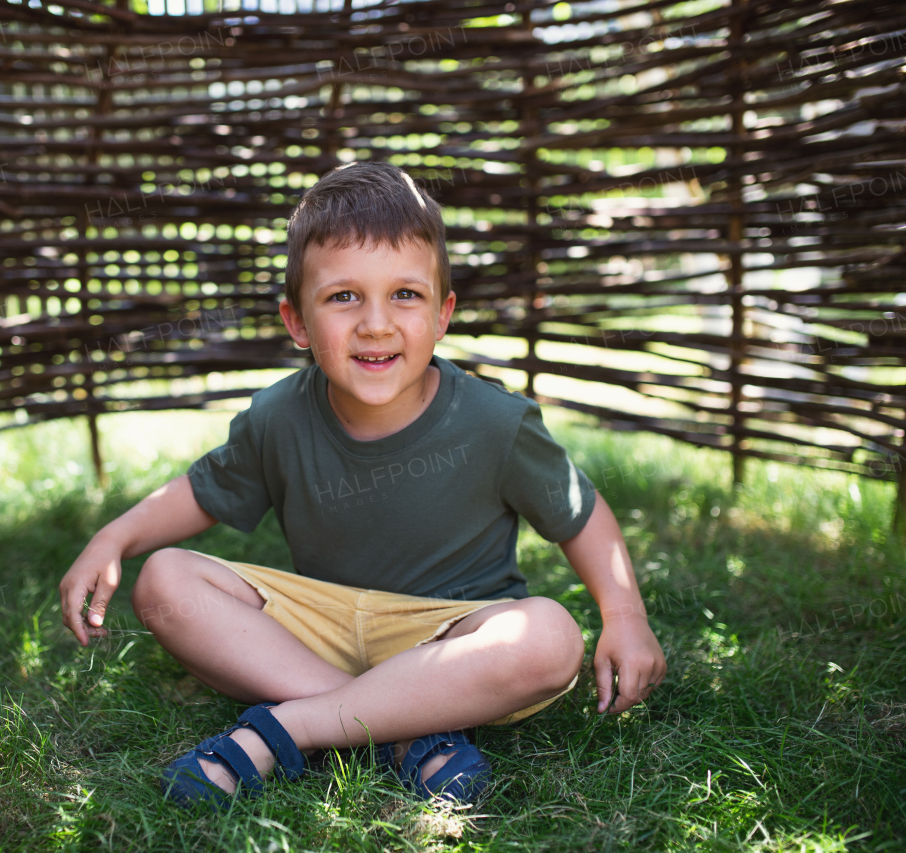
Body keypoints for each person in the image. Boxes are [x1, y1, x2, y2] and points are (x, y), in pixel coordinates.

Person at [58, 160, 667, 810]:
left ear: (442, 314)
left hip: (450, 637)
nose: (376, 323)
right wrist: (115, 536)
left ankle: (296, 725)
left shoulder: (495, 422)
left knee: (551, 636)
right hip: (317, 627)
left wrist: (626, 619)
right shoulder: (279, 416)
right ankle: (399, 731)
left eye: (405, 294)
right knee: (165, 581)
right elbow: (201, 492)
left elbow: (580, 515)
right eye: (344, 296)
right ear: (297, 322)